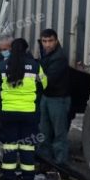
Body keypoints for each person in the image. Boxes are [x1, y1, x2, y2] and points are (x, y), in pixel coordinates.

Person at [0, 38, 47, 180]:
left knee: (10, 147)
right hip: (29, 113)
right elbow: (45, 84)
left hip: (8, 113)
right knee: (27, 148)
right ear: (26, 50)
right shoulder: (35, 66)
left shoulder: (2, 66)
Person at [37, 28, 71, 166]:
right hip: (47, 97)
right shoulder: (46, 53)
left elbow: (47, 79)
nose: (47, 44)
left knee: (59, 133)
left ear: (56, 41)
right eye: (44, 41)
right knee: (44, 131)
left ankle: (60, 163)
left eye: (50, 41)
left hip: (58, 99)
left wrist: (34, 75)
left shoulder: (59, 57)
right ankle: (45, 160)